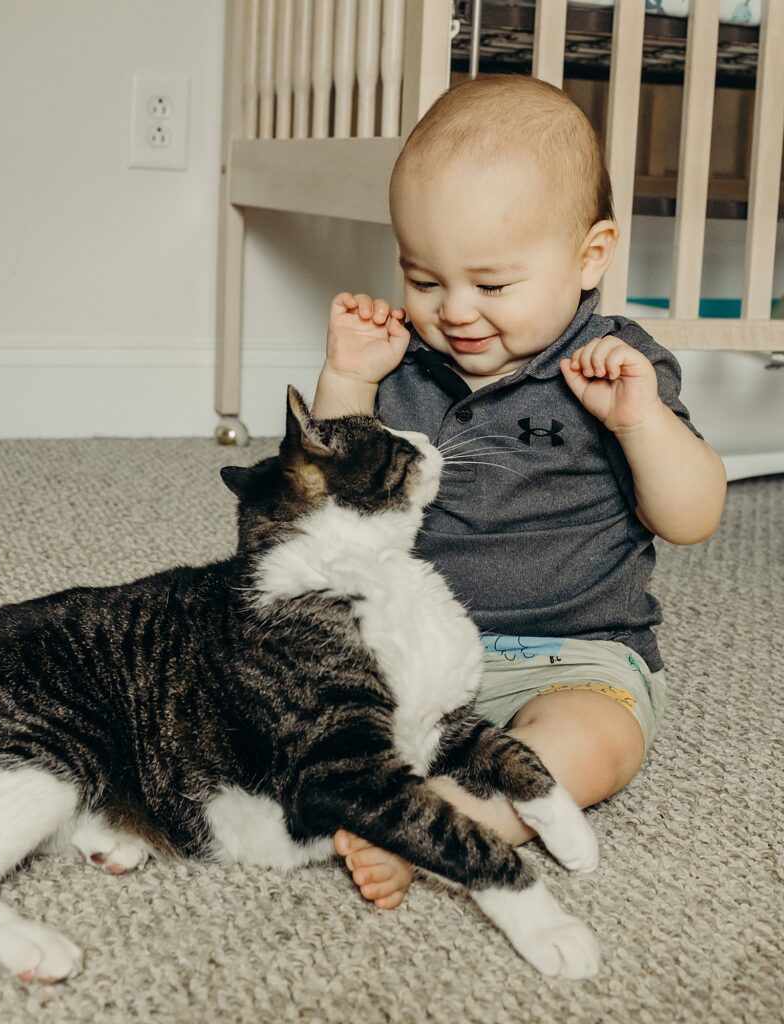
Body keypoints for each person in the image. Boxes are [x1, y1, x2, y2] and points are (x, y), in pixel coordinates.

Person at [310, 75, 727, 910]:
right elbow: (327, 505)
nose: (455, 311)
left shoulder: (620, 367)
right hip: (417, 644)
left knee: (600, 743)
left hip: (577, 655)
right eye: (424, 279)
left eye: (492, 286)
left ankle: (455, 819)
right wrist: (347, 379)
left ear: (589, 257)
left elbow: (690, 518)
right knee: (292, 690)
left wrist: (641, 421)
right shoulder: (405, 369)